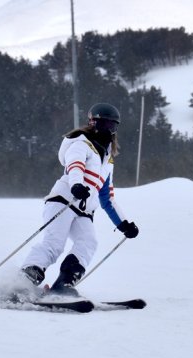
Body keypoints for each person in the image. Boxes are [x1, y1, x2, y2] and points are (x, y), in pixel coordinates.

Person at [20, 102, 139, 295]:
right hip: (64, 200)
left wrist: (123, 224)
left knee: (88, 243)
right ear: (93, 123)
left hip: (84, 210)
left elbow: (106, 198)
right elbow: (75, 165)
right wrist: (76, 185)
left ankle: (64, 283)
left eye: (112, 126)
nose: (108, 130)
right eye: (103, 124)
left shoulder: (108, 160)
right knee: (54, 245)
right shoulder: (81, 143)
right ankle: (25, 279)